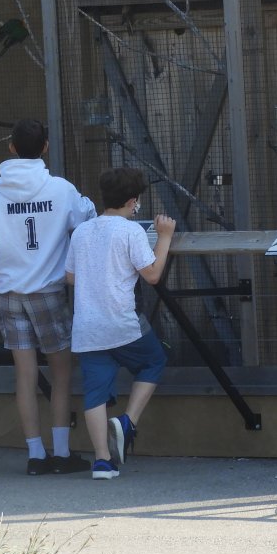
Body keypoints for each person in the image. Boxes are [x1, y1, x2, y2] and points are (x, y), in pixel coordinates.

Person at [0, 118, 96, 475]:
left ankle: (34, 455)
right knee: (60, 373)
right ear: (45, 147)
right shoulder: (60, 188)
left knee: (24, 375)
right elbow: (84, 219)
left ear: (11, 147)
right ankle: (61, 452)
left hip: (9, 291)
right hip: (48, 289)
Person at [64, 167, 174, 480]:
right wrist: (164, 237)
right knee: (154, 361)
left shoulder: (83, 231)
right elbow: (151, 275)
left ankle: (102, 461)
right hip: (122, 322)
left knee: (95, 393)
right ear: (132, 201)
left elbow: (70, 277)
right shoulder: (130, 231)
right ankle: (127, 422)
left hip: (87, 326)